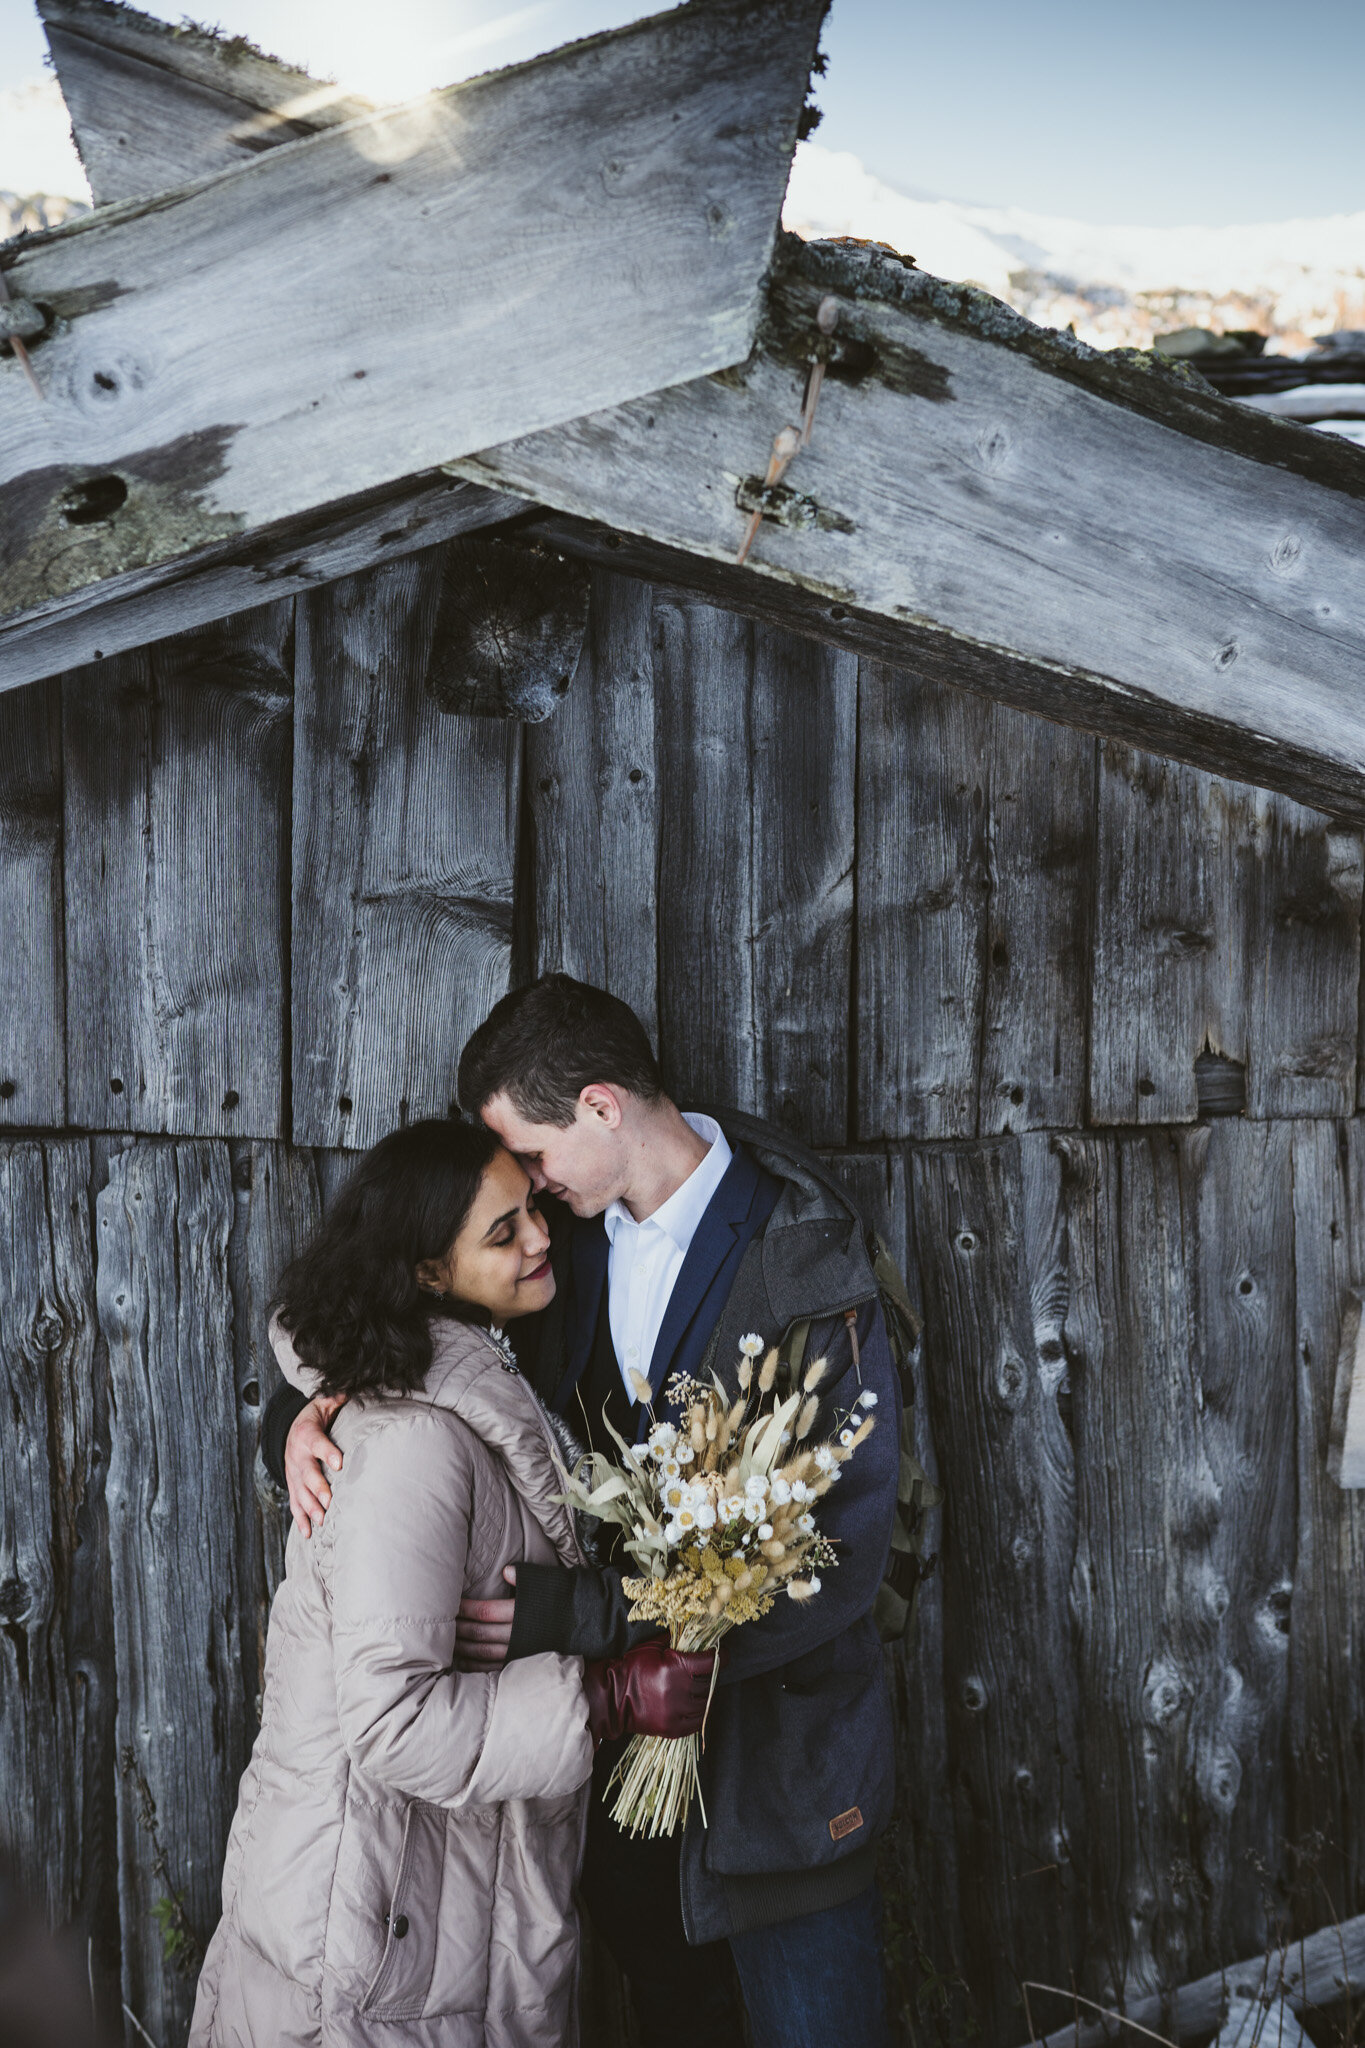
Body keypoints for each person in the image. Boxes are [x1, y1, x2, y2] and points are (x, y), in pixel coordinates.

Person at [264, 980, 901, 2048]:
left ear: (601, 1106)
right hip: (617, 1797)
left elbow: (837, 1550)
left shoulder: (808, 1257)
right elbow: (380, 1292)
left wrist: (587, 1620)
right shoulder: (558, 1252)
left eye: (536, 1152)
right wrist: (299, 1411)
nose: (532, 1184)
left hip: (782, 1778)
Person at [192, 1118, 713, 2048]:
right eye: (502, 1232)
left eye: (533, 1210)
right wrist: (603, 1698)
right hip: (372, 1929)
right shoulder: (412, 1442)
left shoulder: (476, 1370)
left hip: (446, 1905)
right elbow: (389, 1720)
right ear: (429, 1272)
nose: (541, 1237)